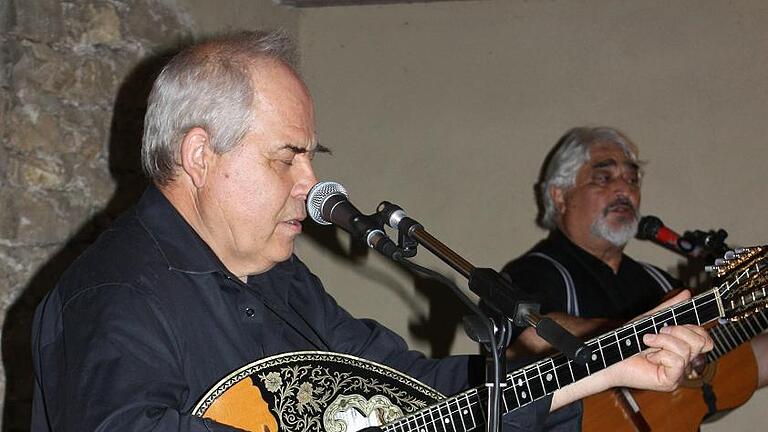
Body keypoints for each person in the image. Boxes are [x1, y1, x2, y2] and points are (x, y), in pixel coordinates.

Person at [31, 34, 711, 432]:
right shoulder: (114, 295)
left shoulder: (279, 276)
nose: (309, 182)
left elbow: (413, 389)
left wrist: (606, 366)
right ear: (201, 154)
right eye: (286, 156)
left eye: (309, 158)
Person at [500, 126, 768, 428]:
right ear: (559, 196)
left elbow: (726, 373)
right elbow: (529, 339)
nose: (624, 190)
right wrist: (646, 337)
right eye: (604, 177)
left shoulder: (661, 285)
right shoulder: (534, 271)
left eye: (632, 179)